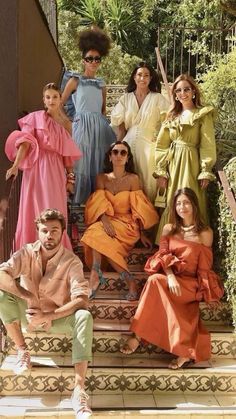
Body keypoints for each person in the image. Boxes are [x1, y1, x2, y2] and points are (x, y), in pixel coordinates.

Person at [0, 209, 93, 418]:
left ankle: (78, 390)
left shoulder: (72, 261)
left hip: (55, 317)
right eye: (44, 230)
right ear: (37, 231)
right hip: (29, 314)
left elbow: (82, 299)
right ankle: (23, 350)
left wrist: (49, 316)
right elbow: (1, 274)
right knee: (1, 296)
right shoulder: (26, 252)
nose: (49, 235)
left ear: (62, 233)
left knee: (84, 317)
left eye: (54, 230)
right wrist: (27, 296)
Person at [120, 188, 224, 368]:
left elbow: (204, 267)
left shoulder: (205, 233)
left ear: (194, 205)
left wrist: (206, 291)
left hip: (191, 284)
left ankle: (171, 346)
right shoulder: (169, 228)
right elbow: (163, 255)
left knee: (156, 284)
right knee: (154, 281)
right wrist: (170, 276)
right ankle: (138, 336)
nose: (181, 207)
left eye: (186, 203)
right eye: (178, 203)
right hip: (171, 280)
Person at [5, 83, 81, 251]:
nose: (51, 100)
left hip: (55, 171)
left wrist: (70, 179)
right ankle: (30, 252)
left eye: (55, 97)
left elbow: (67, 156)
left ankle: (56, 253)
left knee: (55, 208)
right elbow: (25, 144)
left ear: (61, 99)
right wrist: (16, 166)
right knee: (33, 209)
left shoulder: (66, 124)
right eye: (48, 97)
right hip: (35, 168)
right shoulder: (35, 117)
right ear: (44, 100)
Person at [81, 141, 159, 300]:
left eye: (123, 153)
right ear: (110, 156)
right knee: (94, 231)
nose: (118, 155)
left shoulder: (133, 179)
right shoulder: (102, 178)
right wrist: (104, 219)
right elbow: (98, 202)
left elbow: (138, 207)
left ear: (127, 158)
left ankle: (117, 279)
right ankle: (99, 273)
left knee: (101, 240)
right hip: (107, 220)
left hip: (127, 224)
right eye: (115, 152)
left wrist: (142, 233)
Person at [153, 73, 217, 243]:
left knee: (191, 199)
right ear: (174, 94)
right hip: (173, 165)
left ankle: (193, 244)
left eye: (186, 89)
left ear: (193, 91)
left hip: (192, 163)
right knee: (173, 200)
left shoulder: (202, 114)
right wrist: (161, 171)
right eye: (178, 90)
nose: (183, 93)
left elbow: (207, 143)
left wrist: (205, 170)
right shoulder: (170, 116)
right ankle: (170, 246)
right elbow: (162, 145)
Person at [61, 26, 116, 204]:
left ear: (100, 61)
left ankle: (97, 207)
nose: (93, 62)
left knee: (98, 165)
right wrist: (71, 121)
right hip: (81, 128)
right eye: (89, 58)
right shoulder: (74, 80)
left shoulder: (102, 84)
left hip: (99, 130)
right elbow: (60, 104)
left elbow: (102, 111)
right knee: (81, 166)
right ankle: (78, 207)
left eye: (96, 59)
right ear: (83, 60)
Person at [111, 62, 169, 203]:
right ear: (134, 77)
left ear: (150, 79)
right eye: (139, 75)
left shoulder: (158, 98)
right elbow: (120, 125)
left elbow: (167, 123)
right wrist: (118, 146)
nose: (142, 78)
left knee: (148, 179)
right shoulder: (126, 98)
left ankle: (149, 217)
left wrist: (158, 140)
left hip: (150, 144)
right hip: (128, 143)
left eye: (146, 75)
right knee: (129, 177)